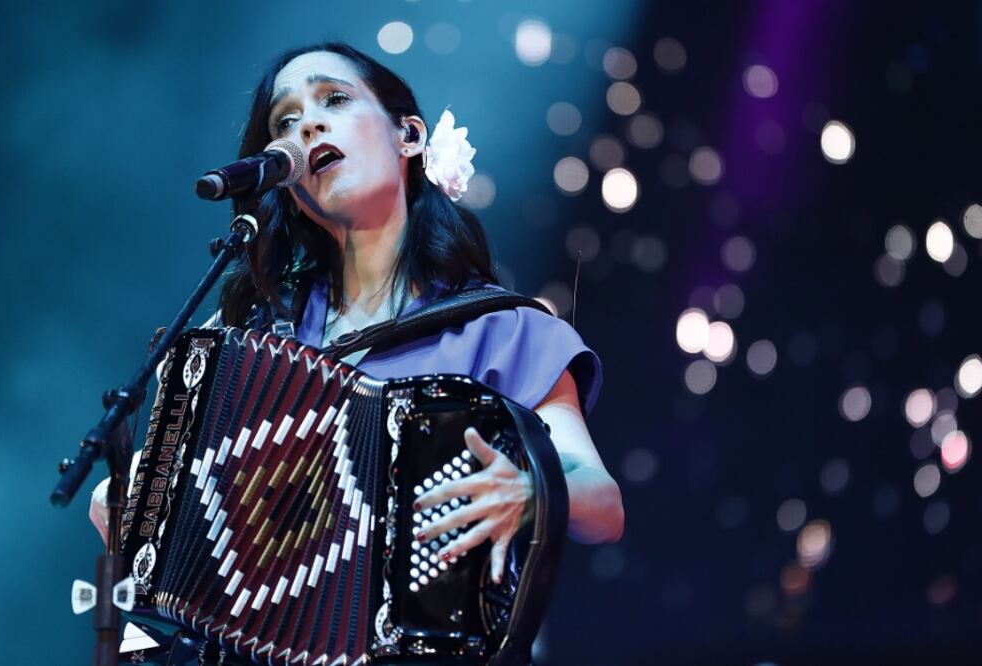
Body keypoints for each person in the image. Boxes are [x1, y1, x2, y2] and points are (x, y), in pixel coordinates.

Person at [91, 37, 622, 627]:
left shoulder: (504, 330)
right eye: (284, 121)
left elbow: (602, 503)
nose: (307, 125)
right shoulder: (252, 333)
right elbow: (169, 485)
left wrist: (530, 491)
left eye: (334, 99)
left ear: (409, 137)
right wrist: (133, 497)